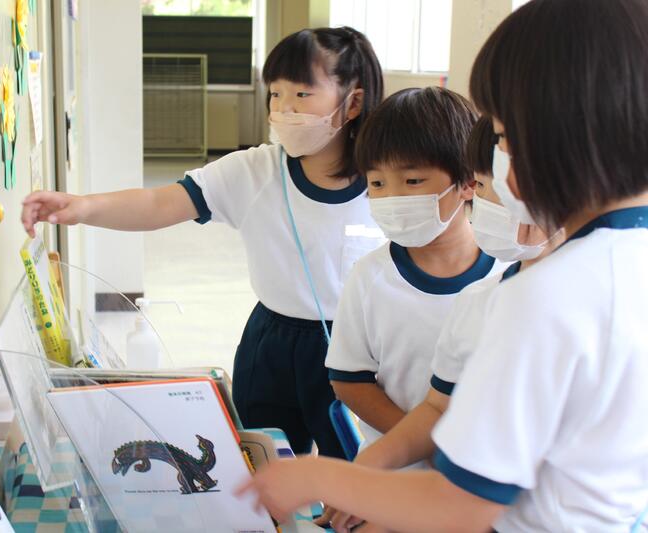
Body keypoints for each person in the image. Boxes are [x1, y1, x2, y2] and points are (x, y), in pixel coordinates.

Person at [238, 1, 648, 531]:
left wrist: (320, 478)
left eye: (503, 136)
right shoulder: (618, 267)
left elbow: (461, 504)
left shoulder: (542, 297)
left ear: (555, 132)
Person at [21, 27, 383, 458]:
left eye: (302, 94)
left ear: (352, 102)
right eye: (276, 94)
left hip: (351, 349)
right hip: (270, 343)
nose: (284, 109)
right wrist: (83, 207)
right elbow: (159, 203)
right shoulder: (254, 171)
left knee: (352, 470)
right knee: (266, 461)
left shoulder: (386, 184)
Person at [319, 116, 564, 531]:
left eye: (497, 186)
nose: (485, 201)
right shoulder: (478, 301)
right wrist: (362, 474)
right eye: (482, 185)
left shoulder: (589, 304)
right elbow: (436, 407)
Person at [325, 88, 503, 458]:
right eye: (377, 183)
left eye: (412, 181)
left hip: (484, 470)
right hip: (397, 467)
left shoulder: (506, 274)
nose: (392, 198)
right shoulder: (369, 277)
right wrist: (421, 446)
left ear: (467, 182)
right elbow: (349, 380)